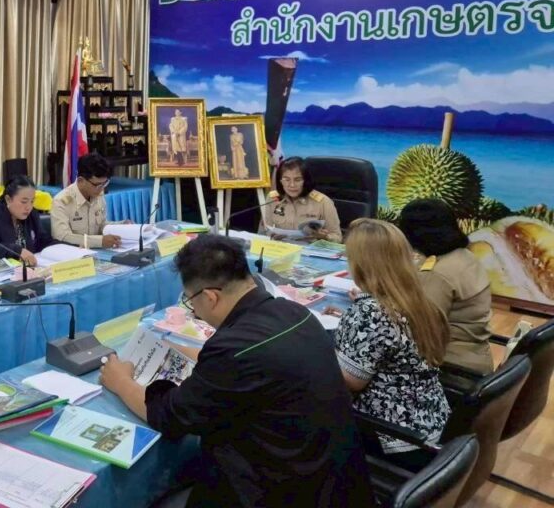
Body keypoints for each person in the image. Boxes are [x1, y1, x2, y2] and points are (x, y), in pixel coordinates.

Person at [99, 235, 374, 507]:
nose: (194, 311)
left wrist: (121, 381)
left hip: (283, 490)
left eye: (190, 302)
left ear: (210, 297)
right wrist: (181, 350)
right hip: (338, 481)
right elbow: (253, 362)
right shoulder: (293, 312)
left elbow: (169, 415)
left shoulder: (233, 351)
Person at [329, 219, 451, 468]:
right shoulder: (414, 298)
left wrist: (317, 344)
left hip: (395, 435)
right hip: (432, 422)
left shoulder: (370, 313)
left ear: (361, 264)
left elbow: (351, 381)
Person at [399, 198, 493, 373]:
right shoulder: (465, 257)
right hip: (476, 359)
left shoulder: (437, 274)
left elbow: (417, 331)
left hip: (449, 369)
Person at [50, 154, 129, 248]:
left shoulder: (97, 195)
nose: (101, 189)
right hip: (74, 253)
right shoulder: (61, 201)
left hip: (97, 251)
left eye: (104, 183)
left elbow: (102, 225)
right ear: (80, 180)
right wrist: (100, 241)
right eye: (97, 185)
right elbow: (62, 237)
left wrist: (121, 226)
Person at [0, 176, 52, 266]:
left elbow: (43, 240)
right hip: (2, 272)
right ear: (8, 199)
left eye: (32, 201)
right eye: (24, 202)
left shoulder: (32, 214)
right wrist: (16, 250)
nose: (28, 207)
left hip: (31, 269)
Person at [261, 156, 342, 242]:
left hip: (309, 249)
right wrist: (272, 236)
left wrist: (325, 237)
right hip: (281, 247)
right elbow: (265, 231)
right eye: (286, 180)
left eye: (297, 180)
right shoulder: (272, 198)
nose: (292, 185)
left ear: (306, 181)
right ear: (280, 181)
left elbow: (338, 238)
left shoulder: (323, 202)